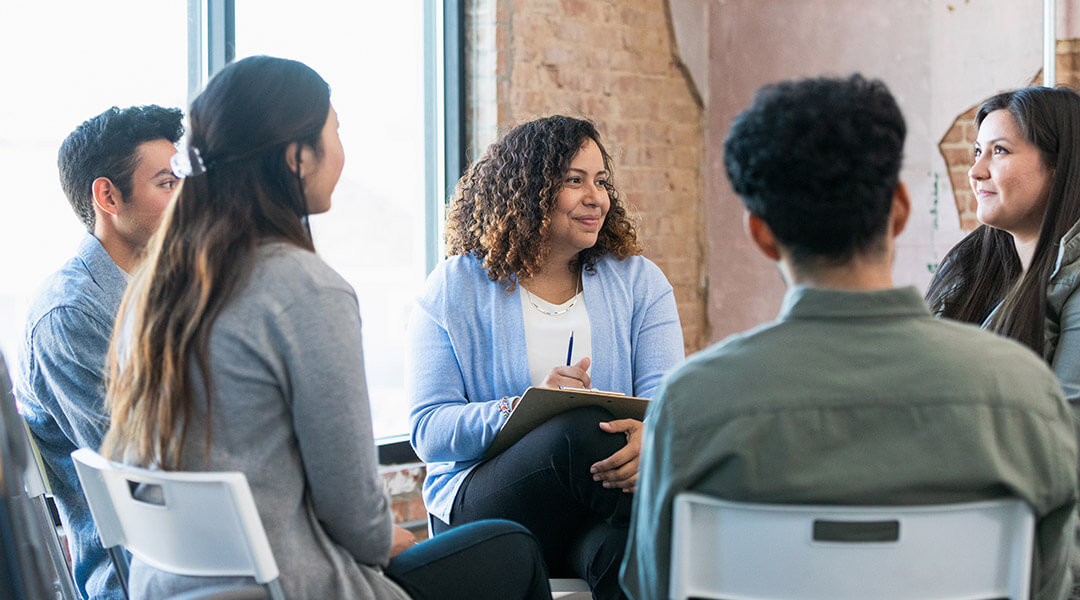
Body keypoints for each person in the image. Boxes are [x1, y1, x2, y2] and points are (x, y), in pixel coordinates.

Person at [100, 55, 551, 600]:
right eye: (335, 131)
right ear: (298, 158)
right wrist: (388, 538)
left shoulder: (153, 290)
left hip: (168, 586)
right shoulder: (307, 290)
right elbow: (355, 517)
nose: (342, 151)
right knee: (511, 546)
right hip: (289, 587)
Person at [621, 74, 1079, 600]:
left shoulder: (690, 403)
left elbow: (652, 587)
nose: (979, 168)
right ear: (901, 210)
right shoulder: (1025, 393)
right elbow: (1051, 583)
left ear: (761, 233)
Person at [407, 115, 685, 600]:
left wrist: (652, 439)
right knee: (581, 430)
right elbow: (428, 431)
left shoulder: (641, 283)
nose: (595, 196)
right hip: (488, 508)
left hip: (596, 510)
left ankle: (674, 522)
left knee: (624, 552)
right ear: (528, 190)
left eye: (601, 181)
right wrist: (525, 407)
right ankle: (706, 523)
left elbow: (668, 407)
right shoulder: (454, 287)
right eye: (574, 181)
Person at [16, 104, 182, 600]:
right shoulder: (70, 314)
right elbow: (144, 470)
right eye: (167, 185)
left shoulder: (163, 289)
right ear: (108, 196)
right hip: (138, 576)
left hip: (202, 554)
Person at [926, 87, 1080, 403]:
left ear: (1058, 168)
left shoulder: (1073, 289)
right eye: (977, 151)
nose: (975, 171)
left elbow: (1067, 433)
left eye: (1000, 151)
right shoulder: (975, 270)